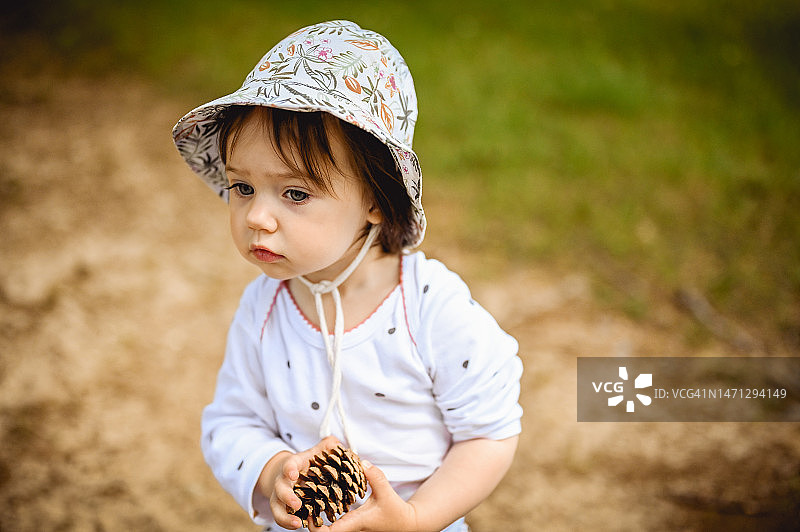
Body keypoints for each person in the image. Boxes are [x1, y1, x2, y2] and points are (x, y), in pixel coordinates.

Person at [172, 20, 522, 532]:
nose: (255, 218)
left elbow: (488, 433)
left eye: (294, 194)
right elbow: (231, 422)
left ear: (377, 200)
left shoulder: (430, 307)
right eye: (242, 187)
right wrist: (272, 474)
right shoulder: (263, 309)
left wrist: (418, 518)